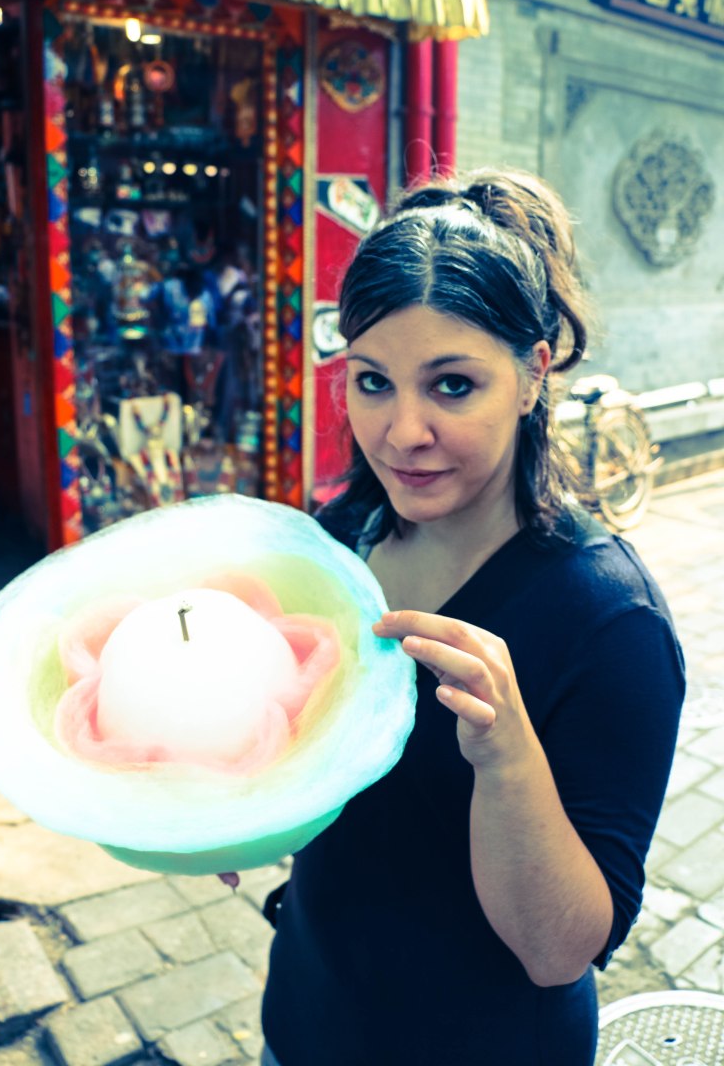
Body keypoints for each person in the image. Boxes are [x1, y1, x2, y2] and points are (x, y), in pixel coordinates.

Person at [259, 168, 685, 1066]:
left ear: (532, 376)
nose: (402, 431)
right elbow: (295, 750)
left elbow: (561, 951)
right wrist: (227, 794)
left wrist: (506, 756)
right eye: (373, 381)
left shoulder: (610, 619)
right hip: (304, 1016)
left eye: (452, 386)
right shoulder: (341, 534)